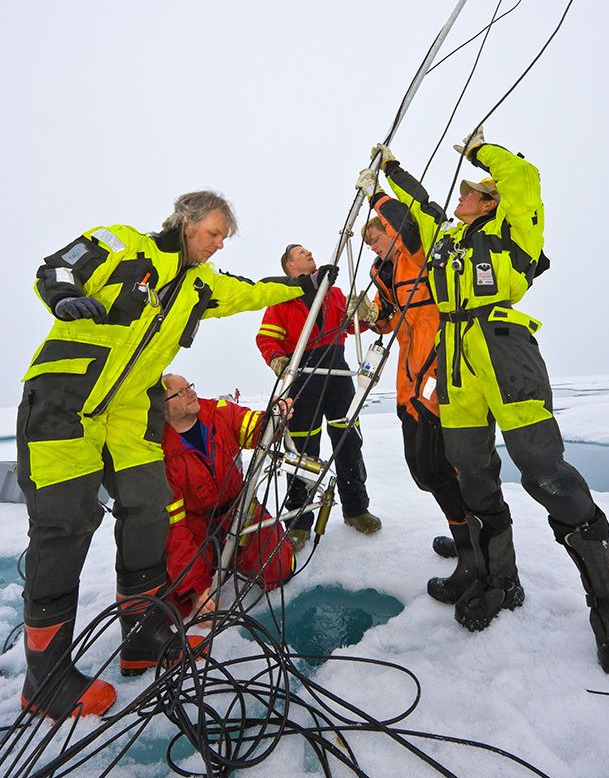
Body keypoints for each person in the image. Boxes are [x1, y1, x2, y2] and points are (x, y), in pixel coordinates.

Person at [16, 190, 331, 719]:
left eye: (223, 238)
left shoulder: (202, 284)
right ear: (186, 221)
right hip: (64, 398)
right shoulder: (125, 244)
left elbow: (252, 292)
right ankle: (44, 678)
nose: (217, 244)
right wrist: (63, 298)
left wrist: (302, 285)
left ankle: (144, 636)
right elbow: (59, 266)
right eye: (213, 233)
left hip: (131, 410)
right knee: (64, 526)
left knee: (149, 509)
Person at [368, 131, 609, 682]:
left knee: (542, 470)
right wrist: (390, 171)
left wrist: (480, 150)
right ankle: (500, 579)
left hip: (501, 344)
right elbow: (415, 211)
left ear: (489, 200)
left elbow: (525, 177)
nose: (459, 199)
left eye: (470, 192)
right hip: (452, 354)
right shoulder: (446, 237)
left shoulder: (510, 227)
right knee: (470, 469)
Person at [352, 173, 474, 602]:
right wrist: (369, 315)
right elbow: (390, 321)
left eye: (377, 238)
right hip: (408, 377)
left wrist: (376, 193)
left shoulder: (418, 253)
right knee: (421, 469)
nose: (374, 246)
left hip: (435, 370)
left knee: (438, 465)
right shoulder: (386, 272)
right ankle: (463, 533)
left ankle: (473, 552)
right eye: (369, 243)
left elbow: (405, 222)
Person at [256, 244, 381, 551]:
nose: (309, 252)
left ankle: (356, 510)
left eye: (308, 249)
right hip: (304, 375)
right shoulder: (282, 298)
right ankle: (298, 524)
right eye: (301, 252)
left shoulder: (334, 294)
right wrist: (277, 360)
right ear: (290, 266)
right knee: (302, 451)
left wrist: (364, 313)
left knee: (348, 441)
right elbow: (267, 337)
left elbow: (358, 326)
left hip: (338, 370)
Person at [162, 374, 295, 623]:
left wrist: (274, 418)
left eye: (190, 386)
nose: (191, 392)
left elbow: (253, 426)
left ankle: (237, 557)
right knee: (177, 604)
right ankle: (210, 567)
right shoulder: (160, 451)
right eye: (180, 392)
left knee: (280, 566)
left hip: (238, 508)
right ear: (163, 406)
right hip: (195, 525)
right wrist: (195, 593)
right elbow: (175, 528)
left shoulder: (218, 413)